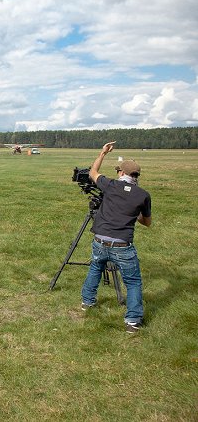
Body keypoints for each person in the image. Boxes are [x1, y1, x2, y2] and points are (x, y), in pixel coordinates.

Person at [80, 142, 152, 334]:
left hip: (100, 241)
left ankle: (87, 302)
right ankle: (132, 321)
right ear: (136, 176)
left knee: (95, 268)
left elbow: (93, 172)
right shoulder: (143, 195)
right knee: (133, 281)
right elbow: (147, 222)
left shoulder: (109, 185)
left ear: (121, 173)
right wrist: (132, 213)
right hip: (123, 244)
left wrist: (103, 153)